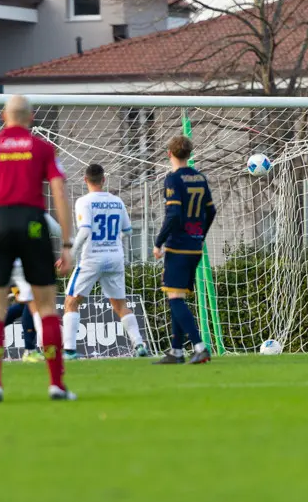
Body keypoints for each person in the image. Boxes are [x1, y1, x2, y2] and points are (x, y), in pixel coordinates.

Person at [0, 95, 75, 403]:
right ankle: (56, 385)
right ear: (31, 117)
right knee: (46, 307)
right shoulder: (43, 148)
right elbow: (59, 191)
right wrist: (67, 243)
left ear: (3, 116)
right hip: (32, 222)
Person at [0, 181, 62, 375]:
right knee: (37, 307)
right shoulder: (26, 184)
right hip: (26, 259)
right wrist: (64, 243)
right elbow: (53, 227)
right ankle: (46, 359)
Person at [63, 164, 148, 359]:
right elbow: (128, 230)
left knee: (71, 301)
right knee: (120, 305)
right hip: (115, 257)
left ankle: (69, 350)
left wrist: (71, 253)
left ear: (85, 180)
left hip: (92, 258)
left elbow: (85, 230)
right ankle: (139, 345)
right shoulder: (117, 201)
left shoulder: (84, 201)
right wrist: (113, 239)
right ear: (103, 180)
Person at [152, 135, 215, 365]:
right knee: (176, 295)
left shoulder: (173, 179)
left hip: (178, 245)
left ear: (169, 153)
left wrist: (158, 242)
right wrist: (201, 235)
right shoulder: (200, 178)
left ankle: (199, 347)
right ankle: (177, 351)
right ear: (190, 154)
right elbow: (211, 211)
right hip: (195, 244)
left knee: (175, 298)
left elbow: (174, 214)